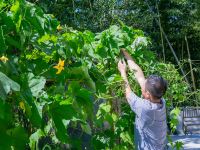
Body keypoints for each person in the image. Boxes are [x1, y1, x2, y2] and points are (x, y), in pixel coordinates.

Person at [118, 49, 168, 150]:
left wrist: (122, 72)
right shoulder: (161, 100)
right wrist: (125, 53)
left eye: (144, 86)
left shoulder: (145, 108)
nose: (143, 83)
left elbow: (128, 93)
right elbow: (139, 75)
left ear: (147, 94)